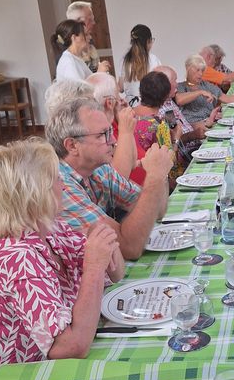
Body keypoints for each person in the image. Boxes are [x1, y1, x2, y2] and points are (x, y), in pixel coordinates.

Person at [0, 139, 125, 367]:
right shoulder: (16, 259)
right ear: (35, 193)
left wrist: (105, 242)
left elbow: (117, 274)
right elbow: (70, 347)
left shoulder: (50, 229)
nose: (64, 186)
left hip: (42, 368)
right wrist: (94, 267)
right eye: (56, 180)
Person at [45, 98, 173, 260]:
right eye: (102, 135)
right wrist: (154, 178)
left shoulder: (99, 169)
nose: (113, 141)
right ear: (72, 145)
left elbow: (158, 211)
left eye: (110, 132)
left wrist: (160, 173)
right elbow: (129, 248)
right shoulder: (60, 185)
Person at [130, 71, 183, 188]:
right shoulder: (159, 125)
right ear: (165, 97)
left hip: (130, 180)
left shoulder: (128, 116)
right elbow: (170, 164)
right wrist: (176, 139)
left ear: (141, 91)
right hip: (154, 185)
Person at [155, 65, 220, 160]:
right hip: (187, 156)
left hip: (194, 148)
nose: (177, 84)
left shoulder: (168, 102)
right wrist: (193, 135)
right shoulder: (162, 108)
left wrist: (207, 122)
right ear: (164, 84)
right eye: (174, 80)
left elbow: (180, 128)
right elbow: (174, 139)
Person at [86, 72, 138, 179]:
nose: (122, 100)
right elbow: (118, 180)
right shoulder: (96, 133)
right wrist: (125, 131)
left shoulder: (114, 122)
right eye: (118, 95)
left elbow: (132, 162)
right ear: (109, 102)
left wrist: (125, 126)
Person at [175, 55, 234, 123]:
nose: (200, 74)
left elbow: (226, 98)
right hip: (193, 127)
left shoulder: (206, 85)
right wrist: (200, 92)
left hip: (210, 123)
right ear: (188, 68)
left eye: (202, 70)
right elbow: (179, 100)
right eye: (197, 70)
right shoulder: (181, 87)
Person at [119, 24, 162, 105]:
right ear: (148, 41)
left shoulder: (125, 60)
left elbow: (121, 88)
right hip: (149, 106)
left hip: (130, 106)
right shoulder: (153, 59)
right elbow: (160, 86)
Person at [66, 0, 107, 74]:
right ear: (78, 22)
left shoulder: (89, 41)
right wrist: (99, 73)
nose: (94, 23)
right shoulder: (68, 57)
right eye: (90, 19)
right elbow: (79, 83)